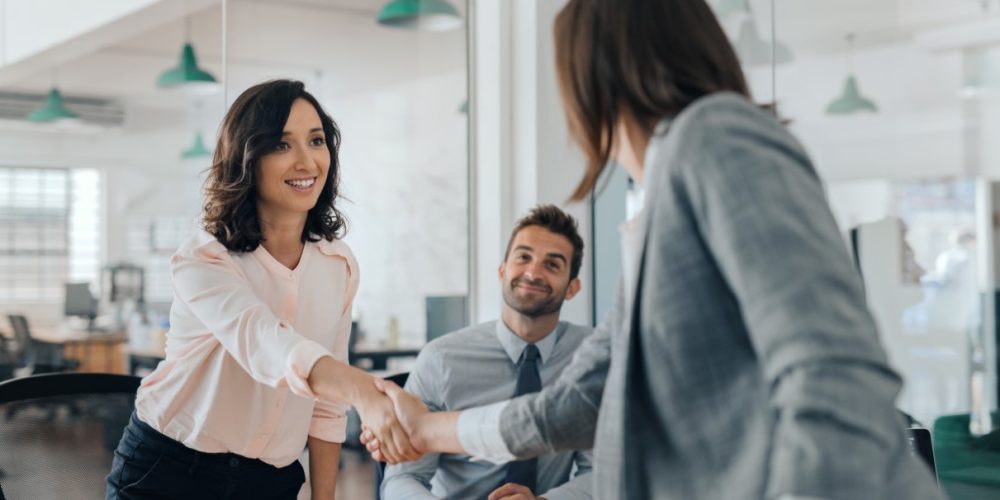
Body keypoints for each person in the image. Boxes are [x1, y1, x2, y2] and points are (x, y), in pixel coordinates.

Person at [363, 1, 944, 499]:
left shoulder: (717, 136)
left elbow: (831, 371)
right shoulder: (655, 211)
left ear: (595, 76)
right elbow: (578, 404)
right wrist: (428, 429)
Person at [105, 79, 418, 500]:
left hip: (270, 481)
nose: (307, 161)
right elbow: (266, 343)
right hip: (171, 470)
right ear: (247, 158)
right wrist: (369, 394)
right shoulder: (204, 258)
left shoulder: (337, 265)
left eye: (317, 140)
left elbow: (324, 408)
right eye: (282, 145)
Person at [380, 205, 593, 500]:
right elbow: (404, 478)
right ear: (503, 270)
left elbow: (602, 470)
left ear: (572, 287)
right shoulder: (441, 359)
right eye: (523, 257)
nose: (533, 272)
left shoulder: (591, 357)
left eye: (552, 265)